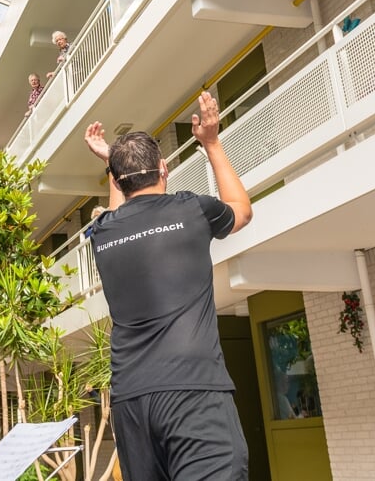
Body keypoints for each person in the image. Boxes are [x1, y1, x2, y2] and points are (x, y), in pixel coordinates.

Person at [83, 91, 253, 480]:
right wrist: (210, 141)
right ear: (163, 169)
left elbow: (115, 211)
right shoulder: (191, 208)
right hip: (192, 391)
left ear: (115, 181)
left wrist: (113, 163)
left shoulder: (102, 232)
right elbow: (241, 210)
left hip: (131, 404)